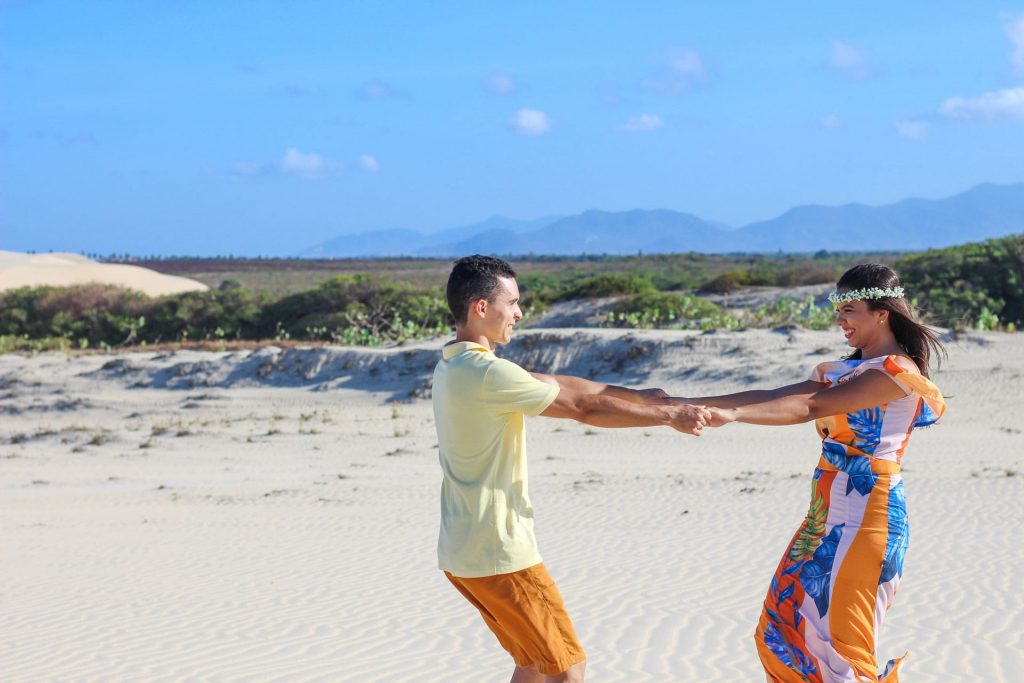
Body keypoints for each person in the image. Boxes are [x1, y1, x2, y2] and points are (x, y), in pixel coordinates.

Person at [433, 255, 711, 683]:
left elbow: (564, 386)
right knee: (568, 668)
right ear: (481, 308)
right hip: (501, 553)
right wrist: (670, 417)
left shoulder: (454, 365)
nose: (519, 313)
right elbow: (581, 408)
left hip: (463, 552)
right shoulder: (489, 374)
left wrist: (639, 396)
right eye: (513, 302)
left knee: (533, 663)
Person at [688, 264, 947, 682]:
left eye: (850, 308)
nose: (839, 318)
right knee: (781, 631)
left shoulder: (898, 373)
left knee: (842, 651)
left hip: (869, 520)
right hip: (823, 517)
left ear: (882, 313)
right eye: (837, 307)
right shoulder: (840, 371)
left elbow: (810, 408)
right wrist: (685, 403)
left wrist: (731, 415)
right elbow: (776, 396)